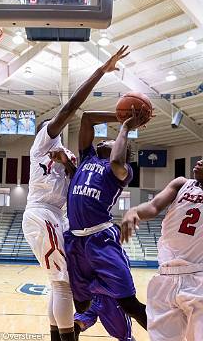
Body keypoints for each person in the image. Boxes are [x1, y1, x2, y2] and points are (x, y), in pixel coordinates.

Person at [22, 45, 130, 341]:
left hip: (56, 217)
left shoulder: (68, 158)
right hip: (42, 213)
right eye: (52, 129)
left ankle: (59, 334)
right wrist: (101, 72)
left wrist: (69, 164)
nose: (55, 130)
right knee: (63, 285)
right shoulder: (43, 143)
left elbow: (78, 182)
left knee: (60, 283)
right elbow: (70, 109)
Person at [64, 105, 151, 334]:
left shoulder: (121, 171)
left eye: (114, 140)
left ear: (123, 151)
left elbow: (116, 162)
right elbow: (87, 118)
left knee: (129, 304)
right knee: (81, 307)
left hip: (101, 239)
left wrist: (125, 128)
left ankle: (167, 335)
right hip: (75, 241)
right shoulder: (88, 158)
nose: (107, 139)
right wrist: (124, 116)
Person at [121, 158, 203, 341]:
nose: (200, 161)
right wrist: (135, 211)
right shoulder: (181, 183)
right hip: (165, 277)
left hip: (198, 277)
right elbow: (153, 206)